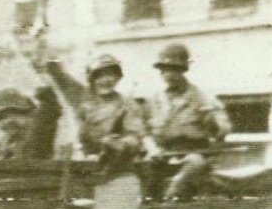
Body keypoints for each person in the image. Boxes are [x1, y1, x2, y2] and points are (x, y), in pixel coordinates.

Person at [146, 43, 230, 200]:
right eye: (163, 70)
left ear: (182, 70)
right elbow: (144, 132)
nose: (167, 74)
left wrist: (212, 119)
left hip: (192, 156)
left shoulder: (202, 97)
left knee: (195, 163)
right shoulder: (155, 100)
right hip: (162, 156)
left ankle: (171, 194)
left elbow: (222, 131)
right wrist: (151, 148)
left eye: (173, 69)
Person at [44, 55, 148, 167]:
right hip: (78, 160)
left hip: (113, 163)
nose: (107, 79)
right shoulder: (81, 96)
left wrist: (121, 143)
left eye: (112, 74)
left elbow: (135, 134)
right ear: (93, 78)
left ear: (117, 77)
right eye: (101, 75)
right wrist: (49, 58)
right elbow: (60, 76)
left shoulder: (127, 104)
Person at [0, 87, 56, 160]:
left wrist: (46, 99)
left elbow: (48, 112)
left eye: (9, 115)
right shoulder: (8, 139)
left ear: (29, 113)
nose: (4, 122)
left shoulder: (37, 133)